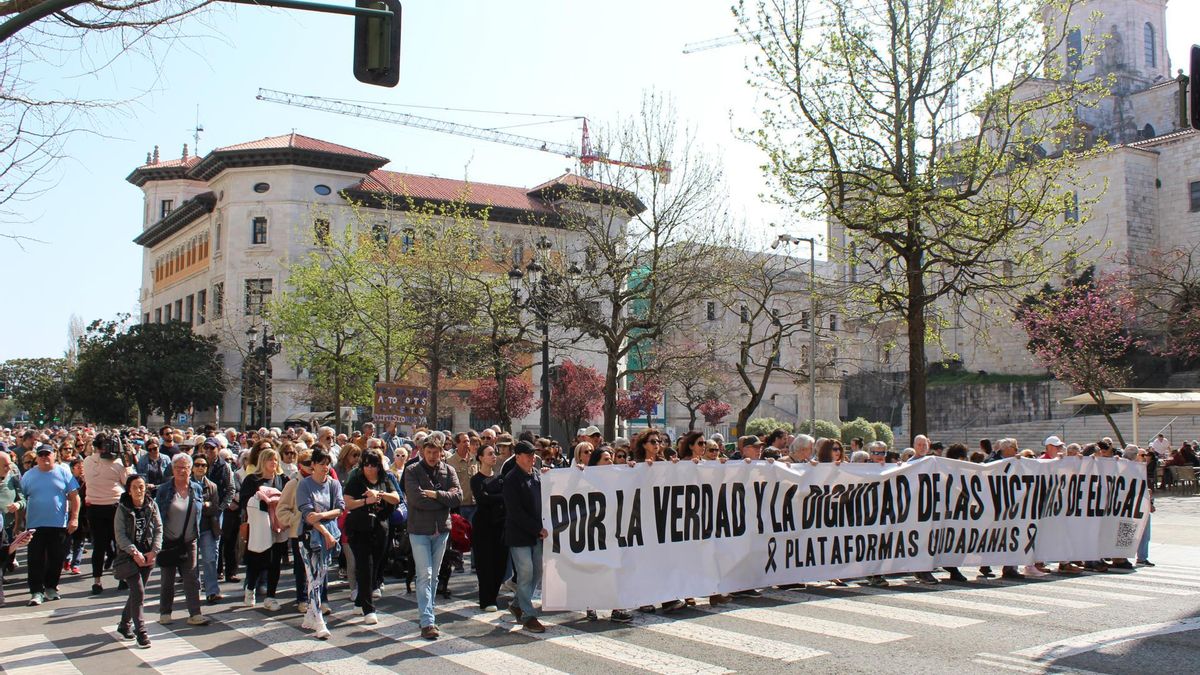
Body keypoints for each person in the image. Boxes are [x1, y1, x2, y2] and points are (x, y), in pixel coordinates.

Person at [403, 431, 462, 640]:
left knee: (434, 576)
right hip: (419, 530)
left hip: (441, 530)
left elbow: (458, 497)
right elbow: (417, 500)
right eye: (429, 452)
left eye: (436, 452)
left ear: (441, 452)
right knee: (424, 574)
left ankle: (430, 614)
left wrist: (437, 495)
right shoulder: (411, 471)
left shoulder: (449, 470)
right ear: (422, 451)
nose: (432, 456)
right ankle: (427, 621)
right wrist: (442, 501)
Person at [343, 448, 398, 625]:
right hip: (359, 529)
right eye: (366, 465)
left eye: (373, 465)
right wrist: (367, 500)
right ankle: (369, 609)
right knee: (364, 567)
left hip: (380, 527)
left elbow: (396, 498)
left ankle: (360, 601)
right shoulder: (356, 480)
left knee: (375, 567)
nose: (370, 469)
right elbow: (348, 503)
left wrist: (380, 495)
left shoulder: (384, 479)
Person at [154, 453, 210, 626]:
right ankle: (165, 613)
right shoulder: (164, 489)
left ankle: (195, 613)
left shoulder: (197, 488)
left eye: (184, 467)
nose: (181, 471)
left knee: (192, 578)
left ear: (190, 469)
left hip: (189, 540)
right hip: (169, 541)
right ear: (172, 469)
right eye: (177, 467)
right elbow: (157, 515)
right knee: (167, 579)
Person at [20, 444, 80, 605]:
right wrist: (19, 523)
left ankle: (51, 587)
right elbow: (21, 500)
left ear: (54, 455)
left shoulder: (63, 472)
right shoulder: (28, 476)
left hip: (58, 524)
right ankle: (36, 591)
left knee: (56, 558)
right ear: (37, 458)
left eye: (48, 454)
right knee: (35, 560)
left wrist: (74, 518)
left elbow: (75, 497)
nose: (44, 457)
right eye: (41, 455)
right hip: (35, 525)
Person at [297, 447, 344, 640]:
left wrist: (323, 516)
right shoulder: (304, 485)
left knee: (322, 574)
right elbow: (308, 515)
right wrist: (323, 530)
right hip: (310, 538)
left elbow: (340, 508)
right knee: (314, 578)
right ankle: (319, 622)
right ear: (313, 465)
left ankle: (310, 613)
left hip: (330, 536)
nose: (325, 467)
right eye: (321, 464)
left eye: (327, 464)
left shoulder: (333, 484)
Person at [503, 440, 548, 633]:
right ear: (518, 457)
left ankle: (516, 603)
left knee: (537, 572)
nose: (533, 458)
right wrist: (536, 528)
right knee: (526, 572)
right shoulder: (511, 479)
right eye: (529, 455)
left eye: (534, 454)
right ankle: (528, 614)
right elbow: (515, 512)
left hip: (536, 534)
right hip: (520, 534)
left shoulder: (537, 475)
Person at [113, 474, 161, 649]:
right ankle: (141, 632)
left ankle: (124, 624)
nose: (139, 490)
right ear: (129, 490)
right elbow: (120, 535)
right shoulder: (123, 508)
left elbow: (158, 528)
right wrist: (134, 552)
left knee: (136, 593)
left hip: (148, 555)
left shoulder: (151, 505)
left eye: (142, 486)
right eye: (135, 487)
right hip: (128, 557)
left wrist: (154, 551)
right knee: (139, 592)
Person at [240, 447, 289, 610]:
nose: (273, 463)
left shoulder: (282, 479)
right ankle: (250, 588)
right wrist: (261, 498)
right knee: (257, 559)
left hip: (278, 525)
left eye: (275, 459)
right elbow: (244, 502)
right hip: (259, 524)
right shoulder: (252, 479)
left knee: (275, 561)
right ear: (263, 461)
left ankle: (271, 596)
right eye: (270, 459)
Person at [82, 432, 129, 595]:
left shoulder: (87, 462)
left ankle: (97, 581)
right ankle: (122, 578)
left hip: (94, 507)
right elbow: (127, 480)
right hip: (114, 506)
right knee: (119, 542)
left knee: (99, 546)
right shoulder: (117, 464)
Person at [470, 443, 506, 611]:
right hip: (483, 526)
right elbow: (482, 498)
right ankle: (486, 599)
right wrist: (500, 497)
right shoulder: (476, 479)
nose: (493, 456)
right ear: (481, 457)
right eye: (490, 453)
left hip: (500, 525)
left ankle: (494, 595)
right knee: (485, 563)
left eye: (494, 453)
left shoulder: (500, 478)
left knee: (500, 563)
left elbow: (505, 497)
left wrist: (496, 497)